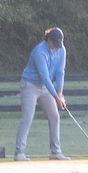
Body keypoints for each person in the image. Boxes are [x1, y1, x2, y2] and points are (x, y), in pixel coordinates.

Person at [14, 27, 68, 160]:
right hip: (30, 85)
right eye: (54, 43)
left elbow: (60, 71)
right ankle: (19, 152)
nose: (56, 47)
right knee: (28, 117)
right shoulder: (39, 52)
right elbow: (44, 76)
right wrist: (56, 97)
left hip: (44, 87)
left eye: (58, 44)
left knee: (55, 116)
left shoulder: (61, 49)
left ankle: (55, 152)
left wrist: (60, 93)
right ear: (49, 40)